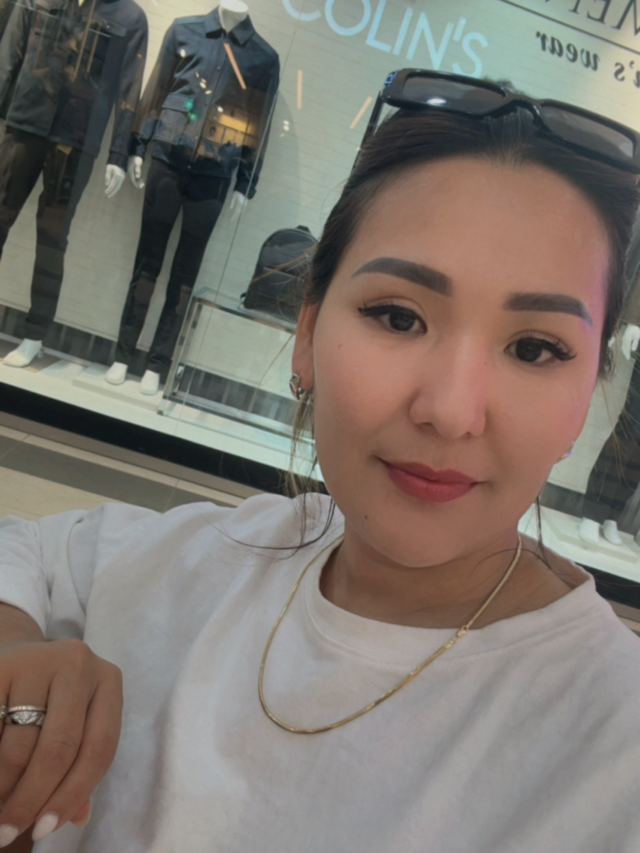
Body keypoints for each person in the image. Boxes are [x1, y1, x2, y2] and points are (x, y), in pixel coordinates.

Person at [0, 71, 640, 853]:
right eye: (398, 316)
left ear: (587, 397)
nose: (450, 410)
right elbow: (26, 551)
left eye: (535, 348)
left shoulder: (614, 745)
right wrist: (16, 651)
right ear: (307, 332)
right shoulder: (215, 554)